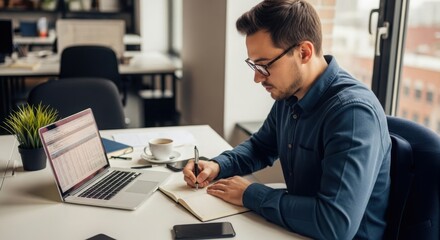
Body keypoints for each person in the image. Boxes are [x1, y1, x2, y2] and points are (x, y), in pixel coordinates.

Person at [183, 0, 391, 239]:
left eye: (264, 66)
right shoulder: (291, 94)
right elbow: (261, 147)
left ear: (304, 52)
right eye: (254, 66)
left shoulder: (352, 114)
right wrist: (217, 165)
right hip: (297, 229)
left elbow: (335, 224)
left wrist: (250, 193)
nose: (258, 79)